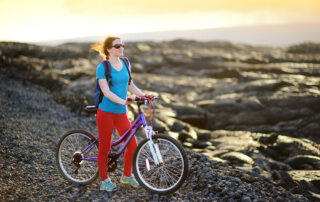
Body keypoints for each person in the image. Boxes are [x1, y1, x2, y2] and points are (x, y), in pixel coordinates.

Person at [91, 36, 146, 191]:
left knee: (132, 146)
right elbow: (106, 91)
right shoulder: (103, 67)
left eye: (122, 45)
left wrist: (144, 95)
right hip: (106, 112)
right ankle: (104, 181)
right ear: (109, 49)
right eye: (117, 46)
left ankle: (127, 176)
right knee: (105, 148)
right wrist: (123, 101)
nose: (121, 48)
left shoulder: (126, 63)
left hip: (121, 113)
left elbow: (130, 85)